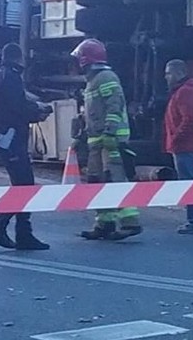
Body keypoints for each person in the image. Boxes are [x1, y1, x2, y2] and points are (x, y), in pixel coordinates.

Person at [71, 38, 143, 241]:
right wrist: (82, 136)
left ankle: (130, 222)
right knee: (96, 182)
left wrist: (110, 133)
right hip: (97, 143)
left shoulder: (105, 77)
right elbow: (94, 114)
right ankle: (105, 223)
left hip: (110, 143)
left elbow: (115, 104)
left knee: (115, 181)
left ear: (85, 60)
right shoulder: (93, 81)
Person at [0, 43, 52, 251]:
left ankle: (18, 232)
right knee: (24, 186)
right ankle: (4, 228)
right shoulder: (11, 77)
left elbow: (10, 104)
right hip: (11, 138)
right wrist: (39, 111)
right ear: (19, 58)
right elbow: (18, 107)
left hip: (4, 137)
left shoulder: (0, 76)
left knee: (22, 185)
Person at [163, 59, 193, 234]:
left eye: (168, 73)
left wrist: (176, 138)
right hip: (182, 145)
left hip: (183, 145)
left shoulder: (185, 92)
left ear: (178, 73)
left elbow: (190, 119)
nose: (166, 77)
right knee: (188, 181)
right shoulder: (184, 91)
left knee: (188, 182)